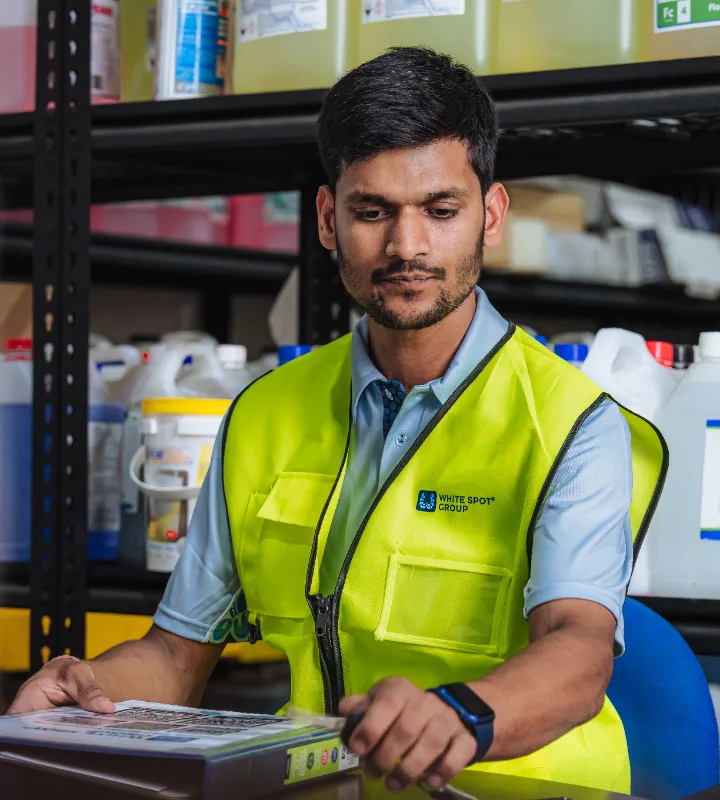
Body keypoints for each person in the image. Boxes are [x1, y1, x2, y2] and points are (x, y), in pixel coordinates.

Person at [9, 47, 666, 795]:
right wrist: (84, 691)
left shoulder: (571, 422)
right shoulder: (265, 412)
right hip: (324, 786)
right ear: (328, 217)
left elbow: (579, 649)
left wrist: (460, 716)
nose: (406, 247)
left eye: (441, 211)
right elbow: (174, 657)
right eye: (372, 211)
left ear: (491, 216)